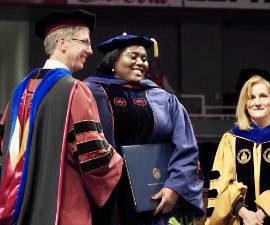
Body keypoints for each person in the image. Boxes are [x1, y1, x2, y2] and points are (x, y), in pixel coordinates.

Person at [0, 9, 123, 225]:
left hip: (18, 207)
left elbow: (1, 145)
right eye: (84, 42)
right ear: (62, 43)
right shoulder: (75, 90)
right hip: (64, 210)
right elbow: (95, 159)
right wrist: (120, 162)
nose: (90, 50)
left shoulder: (19, 91)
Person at [84, 33, 204, 225]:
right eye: (133, 56)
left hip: (153, 196)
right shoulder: (90, 93)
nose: (141, 62)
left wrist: (174, 187)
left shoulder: (163, 99)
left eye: (144, 58)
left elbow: (186, 147)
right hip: (105, 196)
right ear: (113, 60)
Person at [206, 72, 270, 225]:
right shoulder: (231, 139)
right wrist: (244, 213)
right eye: (251, 97)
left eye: (263, 96)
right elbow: (222, 184)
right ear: (245, 104)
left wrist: (260, 214)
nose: (257, 102)